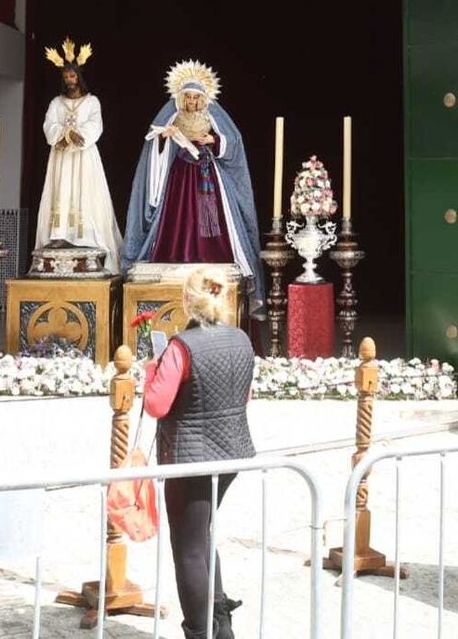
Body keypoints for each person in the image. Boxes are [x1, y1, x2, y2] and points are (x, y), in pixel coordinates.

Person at [144, 266, 255, 639]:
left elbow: (157, 404)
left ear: (186, 301)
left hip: (190, 458)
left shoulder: (181, 346)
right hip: (232, 451)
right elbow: (244, 395)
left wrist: (152, 371)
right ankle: (221, 626)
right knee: (203, 534)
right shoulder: (241, 338)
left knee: (188, 546)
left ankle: (200, 631)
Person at [122, 60, 264, 307]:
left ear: (202, 98)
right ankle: (177, 252)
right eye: (187, 97)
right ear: (181, 98)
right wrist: (164, 138)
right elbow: (155, 143)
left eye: (195, 98)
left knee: (211, 214)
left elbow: (233, 140)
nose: (191, 102)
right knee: (178, 213)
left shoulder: (211, 115)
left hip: (207, 172)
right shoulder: (174, 116)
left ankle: (212, 253)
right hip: (180, 173)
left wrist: (213, 140)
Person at [34, 38, 124, 272]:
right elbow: (49, 124)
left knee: (85, 191)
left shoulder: (92, 101)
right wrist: (63, 135)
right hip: (62, 155)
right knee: (61, 190)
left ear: (79, 77)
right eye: (66, 76)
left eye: (72, 76)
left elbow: (96, 124)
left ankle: (86, 235)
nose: (69, 80)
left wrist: (80, 135)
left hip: (84, 156)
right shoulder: (56, 102)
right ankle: (60, 234)